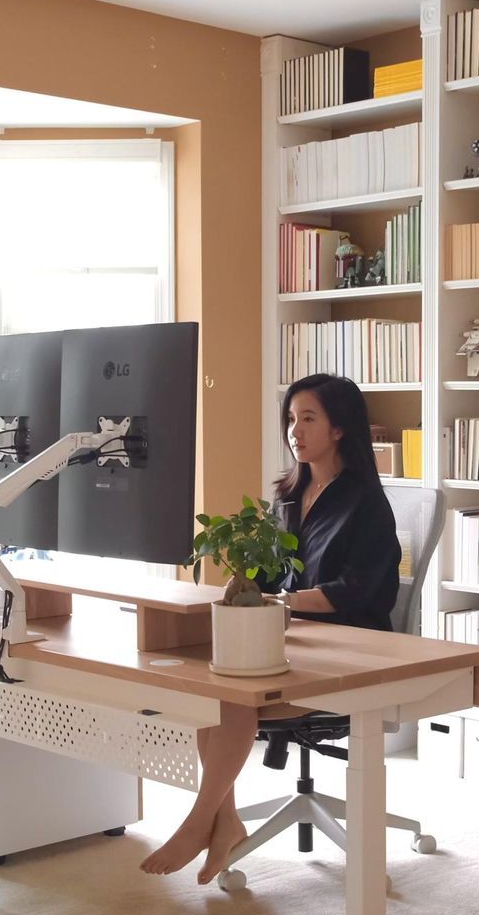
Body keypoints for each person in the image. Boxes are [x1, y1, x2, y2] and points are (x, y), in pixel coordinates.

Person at [140, 373, 402, 883]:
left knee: (239, 694)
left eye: (308, 419)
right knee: (212, 687)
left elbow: (358, 589)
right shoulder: (288, 494)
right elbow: (269, 574)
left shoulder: (365, 502)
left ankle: (202, 820)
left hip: (349, 646)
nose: (294, 432)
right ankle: (226, 820)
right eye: (290, 420)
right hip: (288, 636)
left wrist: (285, 601)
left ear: (340, 429)